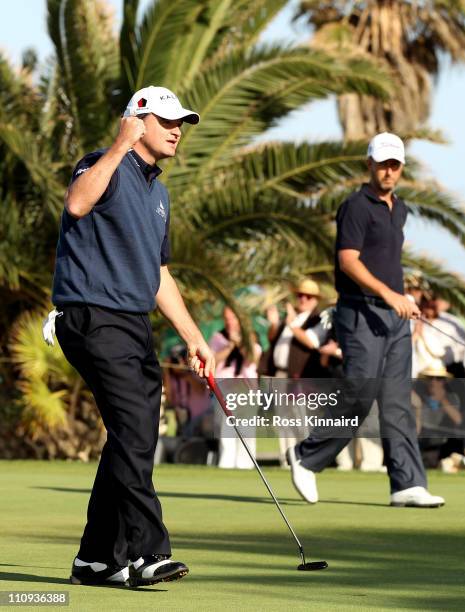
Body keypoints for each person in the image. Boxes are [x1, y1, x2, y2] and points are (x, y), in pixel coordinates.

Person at [49, 86, 215, 587]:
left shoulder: (158, 194)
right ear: (136, 121)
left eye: (180, 122)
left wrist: (193, 336)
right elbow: (76, 204)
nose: (176, 129)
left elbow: (159, 274)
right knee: (136, 433)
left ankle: (96, 559)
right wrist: (119, 145)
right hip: (92, 316)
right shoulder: (101, 164)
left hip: (132, 324)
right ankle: (147, 553)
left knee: (133, 436)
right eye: (166, 120)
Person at [286, 132, 445, 507]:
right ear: (369, 164)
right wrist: (389, 294)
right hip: (359, 312)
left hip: (394, 316)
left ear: (401, 168)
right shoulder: (356, 207)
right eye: (382, 163)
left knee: (396, 400)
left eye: (394, 165)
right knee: (360, 392)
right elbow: (349, 261)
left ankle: (406, 483)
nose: (388, 171)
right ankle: (307, 458)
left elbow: (387, 262)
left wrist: (403, 297)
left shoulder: (399, 208)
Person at [209, 307, 261, 469]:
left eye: (233, 318)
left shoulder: (251, 337)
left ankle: (245, 465)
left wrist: (240, 342)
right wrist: (230, 345)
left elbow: (253, 358)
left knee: (246, 429)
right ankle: (226, 464)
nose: (229, 322)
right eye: (227, 318)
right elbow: (213, 360)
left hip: (246, 388)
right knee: (226, 429)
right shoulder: (218, 338)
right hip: (225, 387)